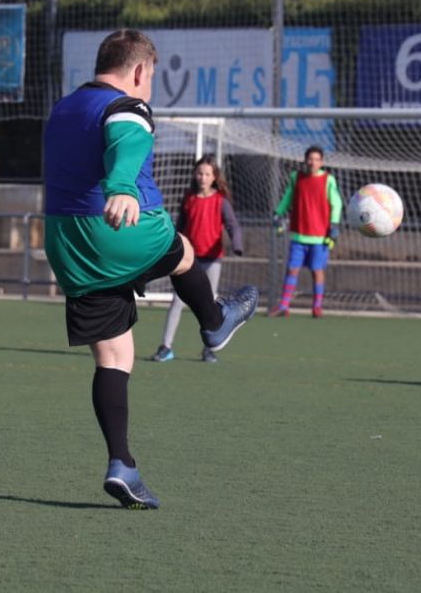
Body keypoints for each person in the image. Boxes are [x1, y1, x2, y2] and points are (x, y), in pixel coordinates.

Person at [43, 29, 259, 509]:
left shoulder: (63, 108)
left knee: (115, 357)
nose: (150, 88)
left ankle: (123, 464)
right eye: (151, 78)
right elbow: (127, 137)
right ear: (139, 71)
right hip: (115, 225)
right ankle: (214, 322)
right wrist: (121, 185)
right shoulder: (128, 105)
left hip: (66, 243)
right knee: (182, 250)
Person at [149, 155, 244, 364]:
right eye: (199, 173)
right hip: (187, 261)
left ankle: (208, 348)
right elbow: (180, 229)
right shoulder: (189, 199)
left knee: (208, 304)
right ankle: (166, 346)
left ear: (214, 177)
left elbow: (233, 225)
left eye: (207, 174)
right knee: (177, 301)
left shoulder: (221, 201)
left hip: (212, 261)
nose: (202, 177)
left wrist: (237, 244)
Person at [268, 145, 342, 318]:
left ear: (321, 162)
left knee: (317, 271)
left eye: (316, 159)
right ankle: (284, 306)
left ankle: (317, 307)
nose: (312, 162)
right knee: (292, 269)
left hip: (320, 237)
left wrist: (334, 225)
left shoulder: (328, 180)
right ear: (305, 160)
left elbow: (336, 203)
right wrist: (278, 213)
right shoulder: (296, 177)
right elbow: (288, 197)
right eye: (310, 159)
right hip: (298, 235)